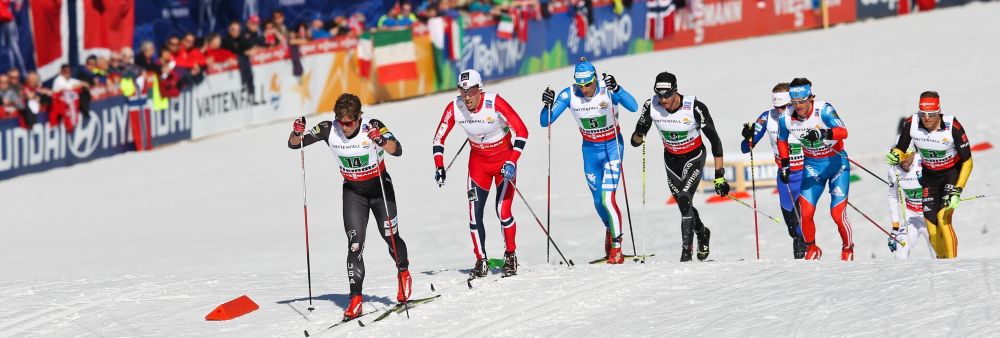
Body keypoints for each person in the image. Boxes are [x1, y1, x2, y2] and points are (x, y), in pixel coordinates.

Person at [287, 93, 412, 320]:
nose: (344, 127)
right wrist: (296, 133)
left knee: (390, 237)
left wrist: (381, 140)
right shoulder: (328, 128)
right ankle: (355, 299)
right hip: (354, 193)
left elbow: (398, 149)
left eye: (349, 123)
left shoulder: (373, 125)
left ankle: (403, 272)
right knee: (355, 246)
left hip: (380, 189)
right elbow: (295, 144)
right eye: (340, 121)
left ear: (359, 117)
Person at [432, 69, 528, 278]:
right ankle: (481, 259)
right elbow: (438, 138)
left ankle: (510, 255)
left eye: (471, 91)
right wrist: (439, 165)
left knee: (503, 211)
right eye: (462, 91)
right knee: (474, 215)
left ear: (480, 89)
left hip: (504, 163)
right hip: (478, 165)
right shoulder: (455, 107)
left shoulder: (494, 102)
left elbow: (522, 131)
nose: (467, 97)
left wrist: (512, 161)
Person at [540, 58, 638, 264]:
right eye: (580, 84)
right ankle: (610, 229)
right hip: (590, 151)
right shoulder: (569, 94)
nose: (584, 89)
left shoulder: (607, 88)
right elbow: (544, 121)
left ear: (595, 78)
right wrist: (546, 105)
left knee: (607, 199)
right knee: (598, 201)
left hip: (613, 148)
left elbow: (633, 106)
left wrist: (617, 89)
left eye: (588, 84)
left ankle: (617, 248)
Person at [629, 71, 727, 262]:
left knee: (684, 197)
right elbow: (635, 141)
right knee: (684, 204)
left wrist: (719, 175)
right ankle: (702, 232)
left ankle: (686, 254)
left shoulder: (695, 108)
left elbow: (715, 141)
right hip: (671, 160)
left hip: (694, 156)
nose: (663, 100)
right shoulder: (651, 106)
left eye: (667, 94)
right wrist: (639, 133)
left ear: (675, 90)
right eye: (659, 94)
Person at [886, 91, 973, 259]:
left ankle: (952, 263)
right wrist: (895, 155)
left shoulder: (953, 126)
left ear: (939, 112)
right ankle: (942, 263)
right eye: (923, 113)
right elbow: (901, 147)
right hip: (930, 178)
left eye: (931, 114)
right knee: (932, 229)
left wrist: (957, 190)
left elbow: (968, 162)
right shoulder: (911, 123)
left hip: (951, 174)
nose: (926, 118)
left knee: (943, 218)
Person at [776, 78, 853, 261]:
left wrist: (823, 132)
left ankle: (847, 248)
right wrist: (785, 164)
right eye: (794, 102)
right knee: (806, 212)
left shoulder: (823, 109)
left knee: (837, 214)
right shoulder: (785, 118)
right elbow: (782, 139)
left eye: (802, 101)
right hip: (813, 167)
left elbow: (843, 131)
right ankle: (812, 248)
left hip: (837, 165)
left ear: (811, 97)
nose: (798, 106)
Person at [740, 83, 807, 259]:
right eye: (776, 107)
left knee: (801, 222)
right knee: (792, 226)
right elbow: (746, 148)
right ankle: (802, 255)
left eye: (783, 107)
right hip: (785, 177)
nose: (779, 111)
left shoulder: (802, 116)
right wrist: (747, 136)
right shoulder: (767, 117)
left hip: (805, 173)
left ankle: (806, 259)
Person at [886, 149, 935, 259]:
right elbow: (893, 197)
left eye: (906, 156)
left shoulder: (924, 162)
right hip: (911, 218)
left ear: (913, 153)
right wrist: (895, 228)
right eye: (900, 156)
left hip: (931, 218)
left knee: (939, 258)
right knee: (900, 252)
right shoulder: (894, 169)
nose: (903, 160)